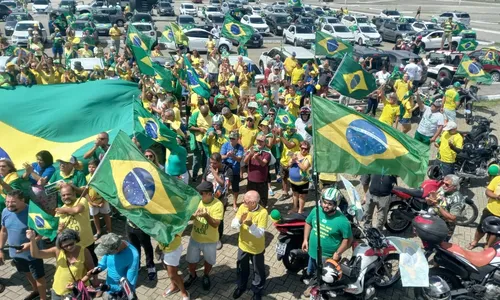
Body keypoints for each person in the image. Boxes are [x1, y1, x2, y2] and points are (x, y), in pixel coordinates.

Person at [0, 190, 48, 300]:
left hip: (33, 253)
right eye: (7, 201)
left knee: (39, 277)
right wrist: (1, 249)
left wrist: (31, 243)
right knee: (27, 273)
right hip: (16, 254)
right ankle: (36, 291)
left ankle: (43, 298)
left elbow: (43, 232)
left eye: (12, 202)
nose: (8, 205)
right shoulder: (5, 211)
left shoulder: (32, 212)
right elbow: (3, 231)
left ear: (22, 200)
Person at [27, 229, 97, 300]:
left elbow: (91, 271)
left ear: (75, 240)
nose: (69, 247)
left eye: (71, 244)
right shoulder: (57, 251)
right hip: (58, 290)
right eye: (65, 246)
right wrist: (32, 239)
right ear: (60, 246)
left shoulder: (84, 251)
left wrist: (78, 284)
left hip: (77, 291)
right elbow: (36, 254)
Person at [301, 188, 353, 284]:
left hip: (328, 258)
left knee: (325, 278)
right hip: (312, 251)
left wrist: (338, 253)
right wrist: (305, 239)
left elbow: (348, 239)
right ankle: (311, 281)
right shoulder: (316, 210)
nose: (326, 206)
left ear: (336, 204)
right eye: (324, 202)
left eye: (330, 204)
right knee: (311, 271)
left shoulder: (343, 221)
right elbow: (308, 223)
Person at [184, 181, 224, 291]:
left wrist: (206, 215)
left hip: (210, 241)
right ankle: (193, 275)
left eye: (201, 193)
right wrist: (193, 216)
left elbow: (216, 224)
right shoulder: (197, 201)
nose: (199, 195)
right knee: (191, 261)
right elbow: (189, 217)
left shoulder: (218, 205)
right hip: (195, 238)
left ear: (209, 193)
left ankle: (206, 275)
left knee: (209, 261)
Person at [231, 191, 268, 300]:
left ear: (253, 203)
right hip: (243, 246)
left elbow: (260, 234)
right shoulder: (243, 207)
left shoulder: (263, 213)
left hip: (256, 249)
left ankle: (257, 290)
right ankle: (241, 286)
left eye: (246, 201)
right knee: (242, 268)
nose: (243, 202)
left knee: (258, 271)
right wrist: (239, 221)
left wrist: (250, 225)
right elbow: (233, 225)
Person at [55, 184, 98, 265]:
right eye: (63, 195)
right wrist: (60, 230)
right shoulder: (60, 210)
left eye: (68, 194)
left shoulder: (81, 200)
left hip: (86, 242)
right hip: (73, 246)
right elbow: (59, 231)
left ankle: (95, 277)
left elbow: (77, 210)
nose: (66, 197)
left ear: (74, 194)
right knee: (79, 266)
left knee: (92, 263)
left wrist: (64, 210)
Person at [91, 233, 139, 299]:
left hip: (120, 293)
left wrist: (109, 287)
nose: (107, 254)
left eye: (108, 253)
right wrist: (99, 268)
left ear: (116, 249)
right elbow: (104, 261)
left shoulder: (133, 256)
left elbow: (129, 285)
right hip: (108, 289)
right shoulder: (111, 246)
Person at [202, 152, 232, 250]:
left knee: (218, 219)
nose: (212, 165)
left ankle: (218, 238)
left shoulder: (227, 170)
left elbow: (225, 185)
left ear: (220, 162)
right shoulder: (208, 168)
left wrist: (215, 174)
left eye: (214, 163)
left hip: (220, 199)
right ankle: (208, 236)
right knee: (208, 216)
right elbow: (203, 180)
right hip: (207, 198)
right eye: (210, 162)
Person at [468, 164, 500, 249]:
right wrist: (496, 196)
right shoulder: (497, 179)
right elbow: (488, 192)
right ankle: (475, 242)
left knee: (495, 232)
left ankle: (487, 245)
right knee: (481, 228)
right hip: (490, 210)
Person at [425, 174, 465, 241]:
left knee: (442, 243)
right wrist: (431, 198)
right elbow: (431, 203)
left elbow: (452, 218)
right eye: (443, 183)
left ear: (455, 187)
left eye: (447, 185)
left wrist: (437, 205)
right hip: (434, 220)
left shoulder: (457, 199)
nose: (443, 185)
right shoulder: (442, 189)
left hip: (445, 226)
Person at [86, 159, 112, 240]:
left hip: (103, 200)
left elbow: (106, 189)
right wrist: (91, 202)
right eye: (89, 167)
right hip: (92, 202)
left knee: (106, 215)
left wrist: (103, 201)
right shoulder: (86, 178)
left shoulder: (102, 177)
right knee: (95, 216)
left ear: (98, 168)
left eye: (93, 167)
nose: (91, 169)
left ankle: (109, 230)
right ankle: (98, 231)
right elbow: (85, 191)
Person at [244, 133, 271, 207]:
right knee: (250, 197)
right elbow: (245, 161)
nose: (259, 142)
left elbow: (263, 164)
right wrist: (250, 154)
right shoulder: (252, 149)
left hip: (261, 180)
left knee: (262, 199)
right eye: (258, 141)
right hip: (251, 179)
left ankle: (262, 212)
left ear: (265, 142)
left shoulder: (267, 152)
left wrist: (257, 157)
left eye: (261, 141)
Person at [277, 125, 303, 202]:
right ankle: (285, 193)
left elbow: (289, 146)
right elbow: (277, 141)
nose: (289, 130)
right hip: (283, 161)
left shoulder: (297, 137)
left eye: (291, 128)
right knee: (284, 178)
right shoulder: (285, 134)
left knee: (295, 180)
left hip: (293, 163)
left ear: (295, 129)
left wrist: (281, 136)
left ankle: (297, 197)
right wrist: (275, 135)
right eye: (287, 128)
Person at [220, 132, 245, 211]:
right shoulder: (225, 145)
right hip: (226, 169)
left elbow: (239, 159)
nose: (231, 140)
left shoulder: (240, 147)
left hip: (235, 169)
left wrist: (232, 156)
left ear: (237, 139)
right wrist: (227, 156)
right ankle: (222, 201)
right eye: (230, 138)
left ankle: (234, 203)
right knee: (223, 186)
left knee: (235, 188)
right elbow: (221, 156)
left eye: (233, 139)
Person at [189, 105, 212, 182]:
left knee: (206, 158)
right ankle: (194, 174)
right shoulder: (196, 115)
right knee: (197, 158)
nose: (205, 115)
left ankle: (204, 174)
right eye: (203, 113)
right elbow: (189, 126)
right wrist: (199, 129)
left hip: (207, 141)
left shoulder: (211, 115)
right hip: (198, 140)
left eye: (206, 113)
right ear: (200, 111)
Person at [288, 141, 312, 214]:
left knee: (302, 196)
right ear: (299, 148)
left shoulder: (309, 157)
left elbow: (304, 168)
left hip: (303, 181)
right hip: (293, 181)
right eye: (302, 148)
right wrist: (292, 160)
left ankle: (300, 210)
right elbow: (288, 164)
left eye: (306, 149)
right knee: (295, 194)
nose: (303, 150)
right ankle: (295, 208)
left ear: (308, 150)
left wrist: (296, 160)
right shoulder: (295, 153)